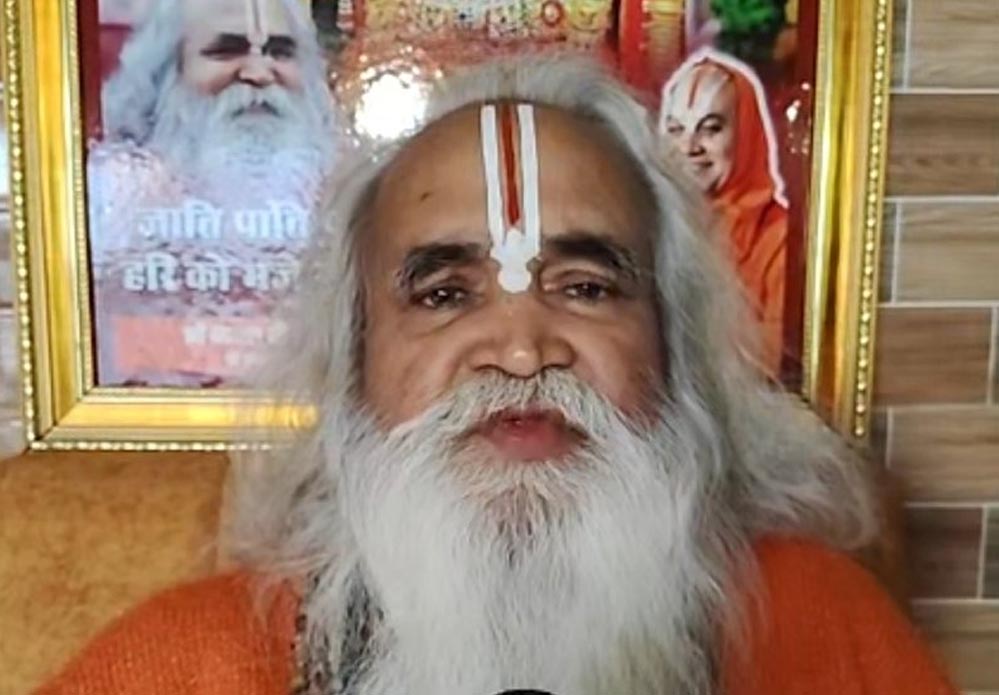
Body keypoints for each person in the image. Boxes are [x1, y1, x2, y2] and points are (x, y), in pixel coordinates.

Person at [41, 57, 955, 695]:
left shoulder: (818, 622)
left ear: (673, 354)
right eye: (444, 294)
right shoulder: (181, 662)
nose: (520, 350)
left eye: (586, 286)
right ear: (353, 365)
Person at [88, 0, 338, 386]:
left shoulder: (345, 194)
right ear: (165, 71)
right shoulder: (107, 201)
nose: (258, 73)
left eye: (280, 52)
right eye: (225, 50)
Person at [659, 48, 788, 376]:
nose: (689, 147)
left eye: (711, 129)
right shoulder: (651, 221)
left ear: (747, 135)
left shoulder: (781, 238)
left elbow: (777, 363)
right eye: (676, 129)